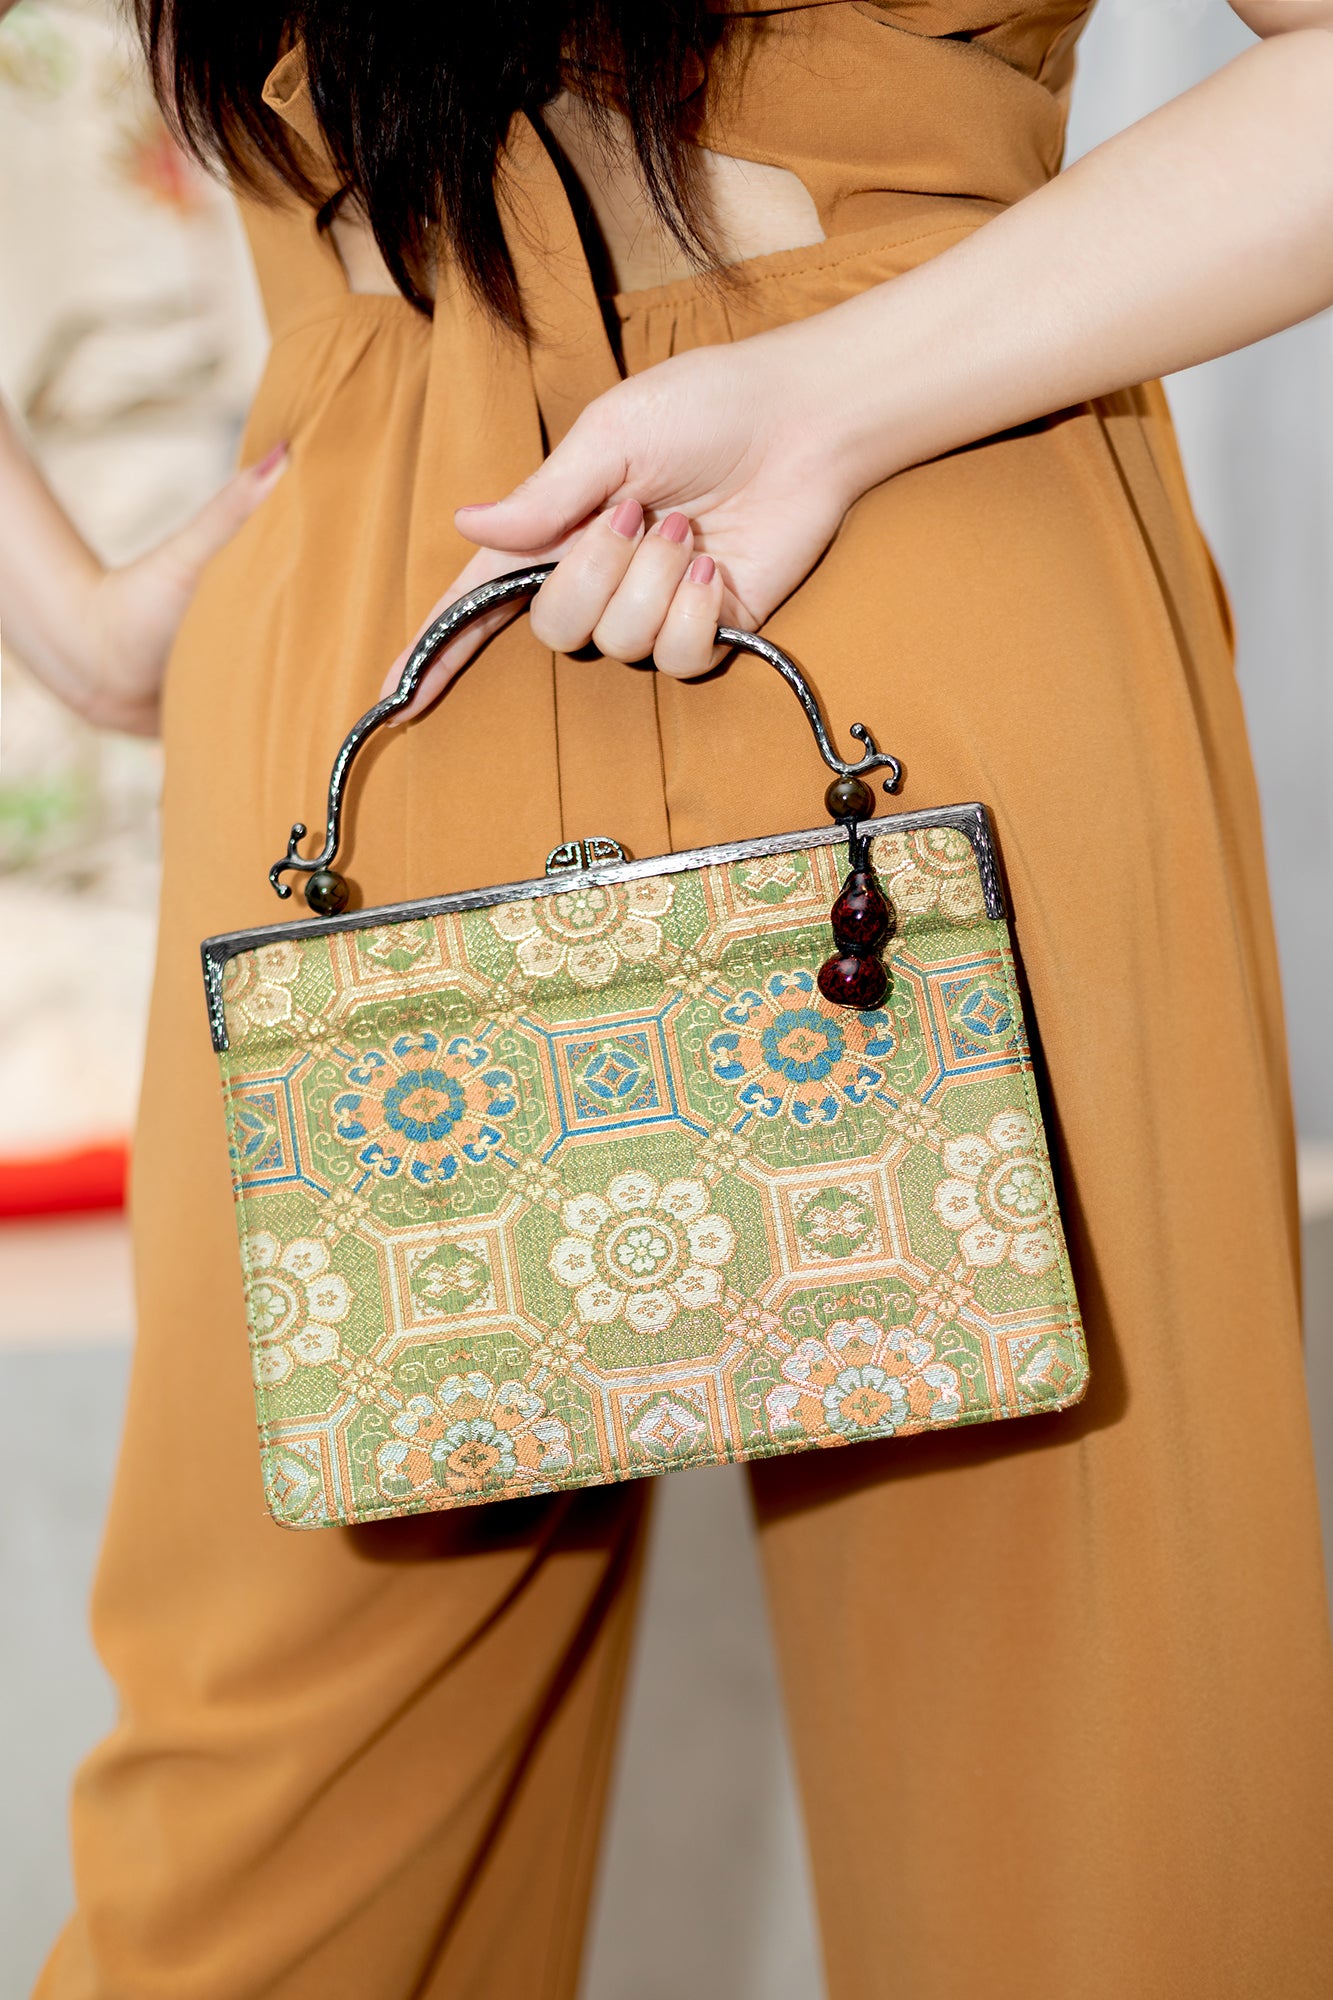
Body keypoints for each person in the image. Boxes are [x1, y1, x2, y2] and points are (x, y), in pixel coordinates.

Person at [4, 1, 1331, 1992]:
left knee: (261, 1860)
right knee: (1095, 1841)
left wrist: (72, 619)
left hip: (461, 609)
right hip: (888, 544)